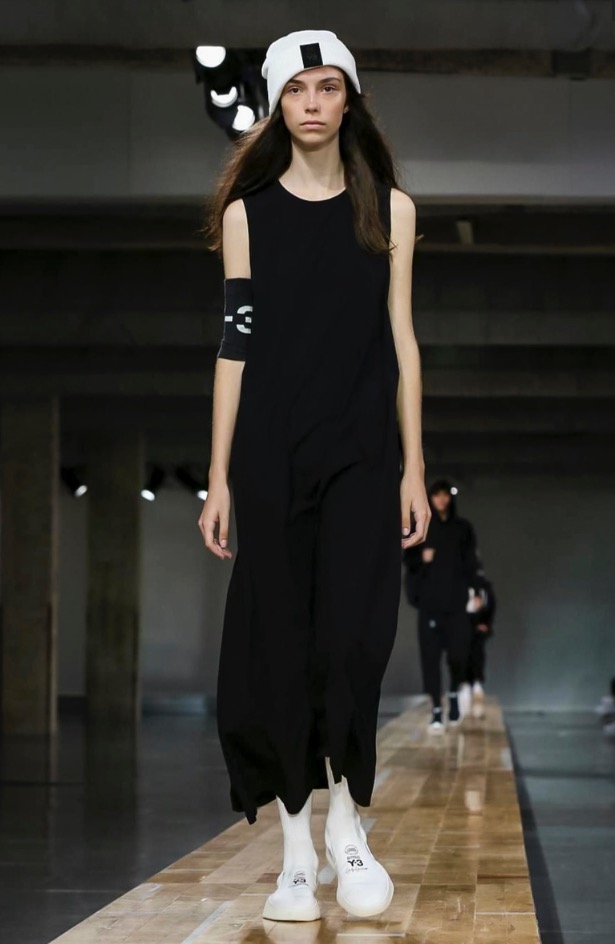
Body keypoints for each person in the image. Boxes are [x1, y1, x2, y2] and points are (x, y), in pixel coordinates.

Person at [197, 29, 429, 922]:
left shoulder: (390, 211)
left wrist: (414, 466)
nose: (312, 103)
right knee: (280, 650)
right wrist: (218, 474)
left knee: (353, 641)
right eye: (297, 89)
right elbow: (234, 346)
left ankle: (346, 823)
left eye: (328, 86)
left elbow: (402, 341)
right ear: (275, 102)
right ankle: (296, 851)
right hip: (268, 454)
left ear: (349, 98)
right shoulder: (246, 216)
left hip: (362, 454)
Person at [403, 479, 484, 733]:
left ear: (450, 498)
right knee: (430, 660)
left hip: (456, 604)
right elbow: (408, 559)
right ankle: (437, 709)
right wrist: (422, 559)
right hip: (430, 605)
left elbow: (471, 562)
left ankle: (453, 693)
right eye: (436, 495)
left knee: (459, 655)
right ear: (431, 497)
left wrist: (477, 591)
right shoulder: (422, 526)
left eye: (445, 495)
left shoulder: (462, 528)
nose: (441, 499)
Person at [459, 575, 496, 719]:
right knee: (462, 654)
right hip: (462, 624)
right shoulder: (458, 582)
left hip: (478, 625)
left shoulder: (484, 586)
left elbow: (491, 604)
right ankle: (464, 684)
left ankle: (476, 682)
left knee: (477, 654)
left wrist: (486, 623)